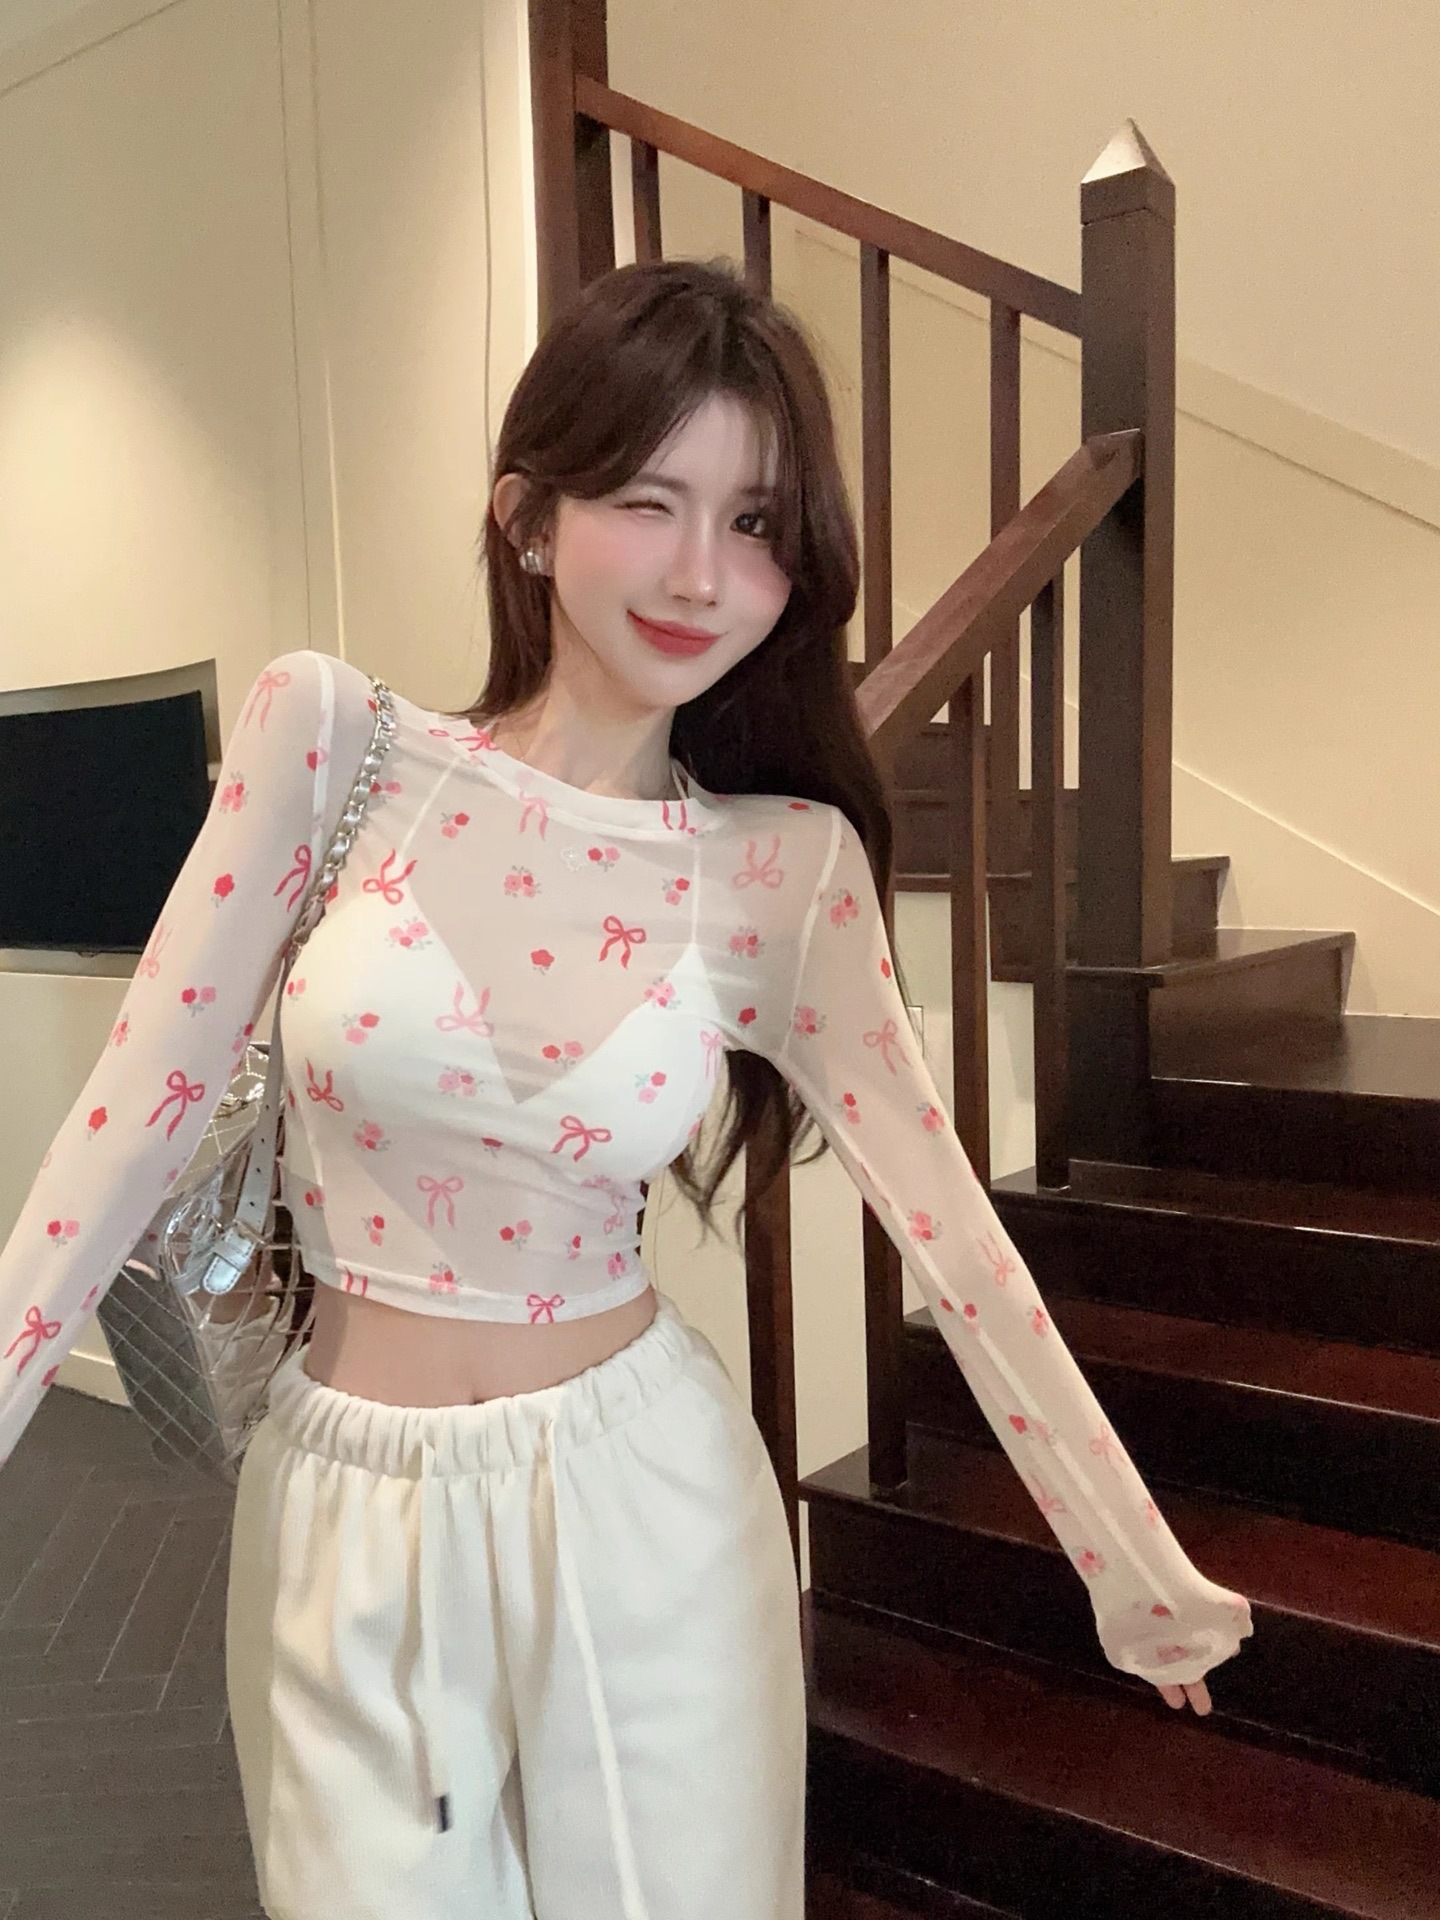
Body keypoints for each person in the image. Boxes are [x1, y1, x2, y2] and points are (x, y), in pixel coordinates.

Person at [0, 258, 1251, 1920]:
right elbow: (124, 1124)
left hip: (641, 1505)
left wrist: (1135, 1570)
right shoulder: (330, 745)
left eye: (755, 521)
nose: (701, 572)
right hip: (342, 1513)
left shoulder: (783, 872)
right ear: (529, 517)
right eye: (649, 502)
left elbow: (953, 1234)